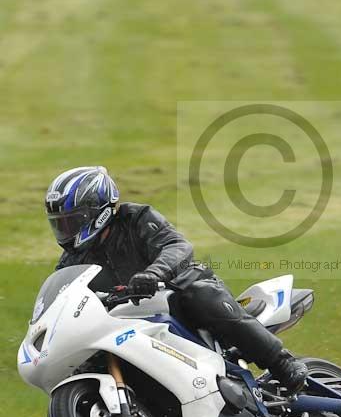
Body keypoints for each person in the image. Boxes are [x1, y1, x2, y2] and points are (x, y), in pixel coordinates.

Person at [45, 166, 307, 393]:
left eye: (71, 222)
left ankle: (282, 363)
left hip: (176, 293)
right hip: (132, 322)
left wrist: (154, 273)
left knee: (200, 295)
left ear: (97, 212)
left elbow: (177, 246)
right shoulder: (71, 261)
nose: (66, 231)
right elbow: (62, 302)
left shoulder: (136, 218)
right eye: (60, 224)